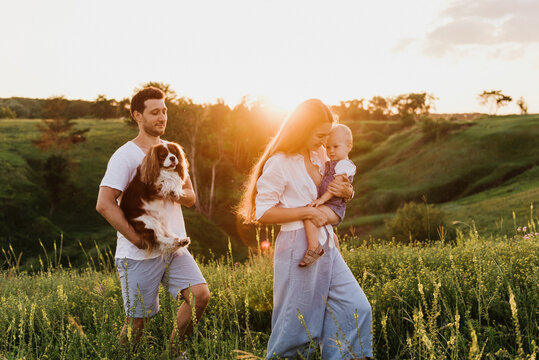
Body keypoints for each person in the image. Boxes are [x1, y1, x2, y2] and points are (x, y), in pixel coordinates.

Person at [238, 99, 372, 359]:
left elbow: (336, 191)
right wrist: (307, 212)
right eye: (320, 135)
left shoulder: (319, 154)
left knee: (355, 307)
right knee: (296, 325)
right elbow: (262, 211)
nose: (324, 142)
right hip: (298, 245)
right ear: (302, 129)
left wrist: (348, 191)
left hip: (327, 242)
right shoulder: (280, 162)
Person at [95, 87, 210, 357]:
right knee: (138, 322)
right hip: (140, 252)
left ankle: (174, 352)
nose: (162, 117)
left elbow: (191, 197)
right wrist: (136, 239)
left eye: (164, 111)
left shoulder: (171, 151)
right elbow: (104, 203)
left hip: (173, 245)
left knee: (200, 295)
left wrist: (172, 191)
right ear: (138, 115)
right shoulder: (125, 155)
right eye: (154, 112)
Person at [300, 124, 356, 267]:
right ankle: (339, 261)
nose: (330, 151)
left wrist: (321, 199)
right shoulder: (333, 162)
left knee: (310, 215)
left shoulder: (344, 165)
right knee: (329, 234)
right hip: (329, 206)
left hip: (334, 207)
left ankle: (314, 248)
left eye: (335, 147)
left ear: (348, 147)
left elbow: (334, 187)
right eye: (328, 147)